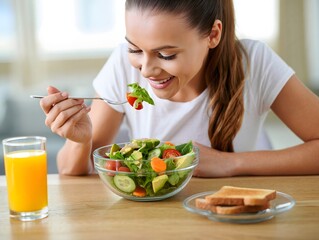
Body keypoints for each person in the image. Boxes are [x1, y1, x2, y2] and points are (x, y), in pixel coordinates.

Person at [39, 0, 319, 177]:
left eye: (166, 55)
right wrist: (81, 140)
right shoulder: (122, 67)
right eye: (135, 49)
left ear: (213, 35)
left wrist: (228, 164)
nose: (146, 70)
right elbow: (69, 170)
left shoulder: (254, 62)